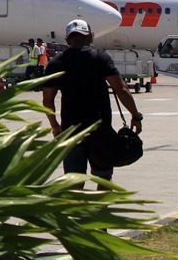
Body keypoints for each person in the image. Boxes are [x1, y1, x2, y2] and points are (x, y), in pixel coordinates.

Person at [42, 19, 143, 187]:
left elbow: (48, 100)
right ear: (91, 37)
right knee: (103, 178)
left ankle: (77, 212)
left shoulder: (56, 63)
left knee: (74, 182)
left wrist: (55, 126)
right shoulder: (100, 58)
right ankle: (100, 210)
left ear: (67, 40)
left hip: (71, 131)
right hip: (100, 130)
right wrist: (135, 116)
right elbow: (121, 89)